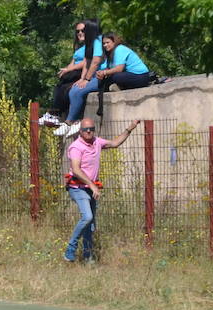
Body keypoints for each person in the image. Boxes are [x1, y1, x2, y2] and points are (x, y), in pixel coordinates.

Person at [63, 118, 140, 262]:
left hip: (90, 189)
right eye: (86, 129)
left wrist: (130, 128)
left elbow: (115, 143)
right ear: (80, 131)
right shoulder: (76, 147)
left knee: (90, 226)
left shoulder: (97, 142)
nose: (89, 132)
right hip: (77, 188)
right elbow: (76, 169)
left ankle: (88, 257)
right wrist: (92, 185)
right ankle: (70, 249)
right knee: (87, 217)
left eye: (91, 129)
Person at [38, 19, 102, 138]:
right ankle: (56, 115)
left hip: (99, 75)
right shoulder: (86, 45)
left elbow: (95, 62)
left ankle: (71, 121)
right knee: (64, 87)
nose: (80, 33)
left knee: (75, 91)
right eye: (78, 31)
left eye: (84, 30)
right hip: (89, 75)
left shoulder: (98, 42)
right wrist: (82, 78)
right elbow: (87, 62)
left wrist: (85, 80)